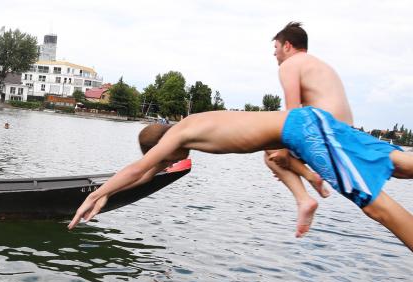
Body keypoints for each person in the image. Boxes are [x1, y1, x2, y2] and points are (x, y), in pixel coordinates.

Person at [68, 107, 413, 253]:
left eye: (161, 159)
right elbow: (144, 174)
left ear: (160, 148)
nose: (167, 164)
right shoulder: (191, 125)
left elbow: (137, 169)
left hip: (305, 133)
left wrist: (94, 194)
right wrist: (106, 197)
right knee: (399, 165)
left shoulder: (177, 138)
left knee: (376, 207)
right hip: (308, 124)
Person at [266, 22, 355, 237]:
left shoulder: (290, 64)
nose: (274, 54)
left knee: (269, 149)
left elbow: (293, 114)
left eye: (276, 47)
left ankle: (305, 197)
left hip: (326, 129)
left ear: (287, 45)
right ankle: (308, 177)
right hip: (344, 132)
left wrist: (284, 152)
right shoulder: (319, 65)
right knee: (279, 155)